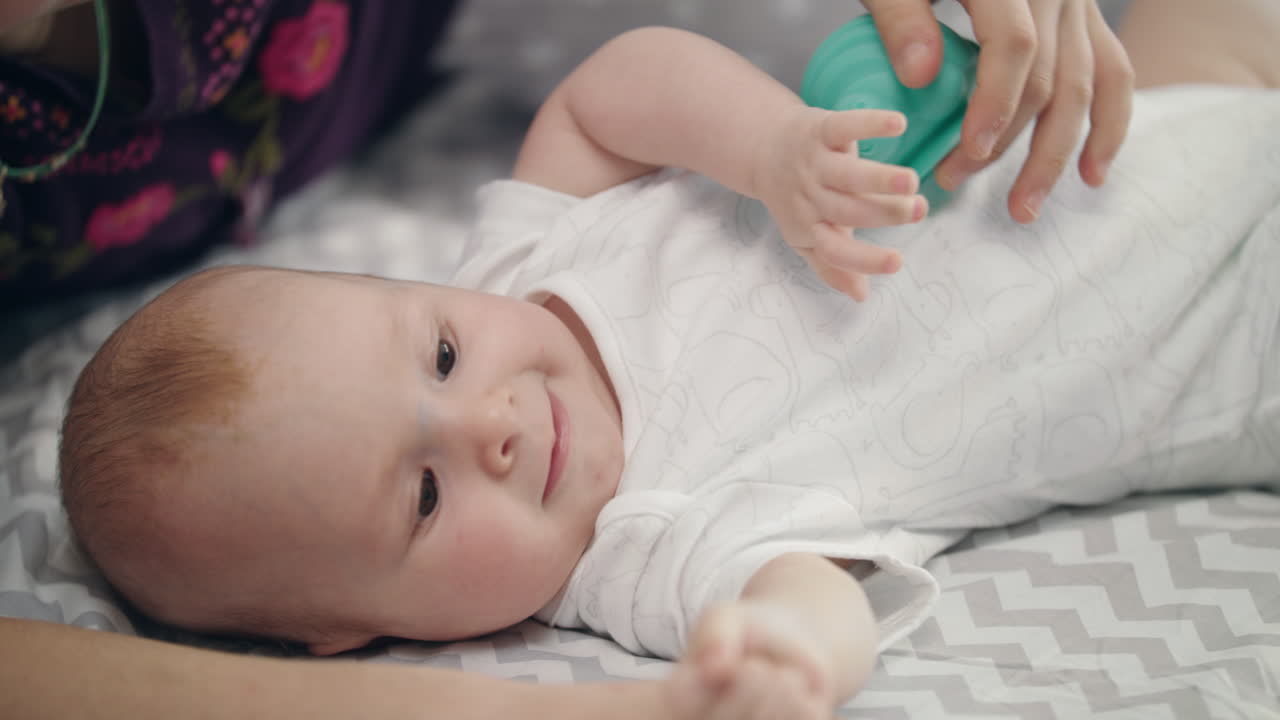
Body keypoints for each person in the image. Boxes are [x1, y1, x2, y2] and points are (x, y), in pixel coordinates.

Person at [53, 0, 1280, 718]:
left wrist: (771, 147)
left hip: (1138, 119)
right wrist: (784, 661)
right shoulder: (638, 552)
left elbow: (611, 88)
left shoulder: (522, 256)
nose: (487, 423)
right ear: (353, 632)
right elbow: (812, 588)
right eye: (422, 497)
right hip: (1223, 330)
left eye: (439, 352)